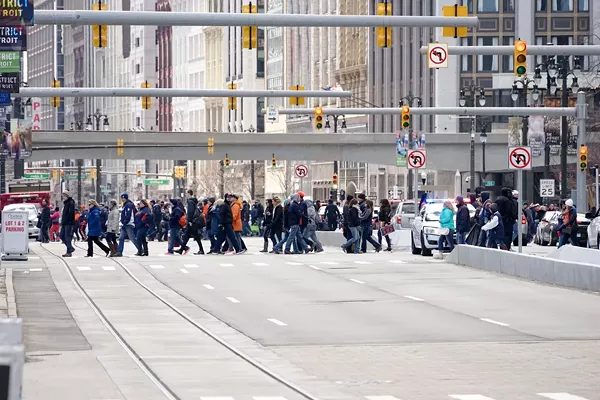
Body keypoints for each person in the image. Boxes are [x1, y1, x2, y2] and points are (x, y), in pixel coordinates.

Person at [177, 190, 205, 255]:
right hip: (193, 221)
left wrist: (189, 220)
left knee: (192, 235)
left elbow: (190, 212)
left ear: (189, 193)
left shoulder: (190, 202)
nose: (186, 194)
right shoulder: (193, 201)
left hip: (192, 221)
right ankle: (182, 249)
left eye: (186, 193)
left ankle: (200, 249)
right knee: (190, 235)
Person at [59, 190, 76, 257]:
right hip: (64, 223)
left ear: (67, 196)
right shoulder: (66, 203)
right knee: (61, 235)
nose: (63, 197)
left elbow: (70, 213)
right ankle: (70, 248)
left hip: (69, 223)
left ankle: (69, 251)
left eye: (64, 196)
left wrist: (67, 220)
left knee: (67, 236)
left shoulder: (71, 203)